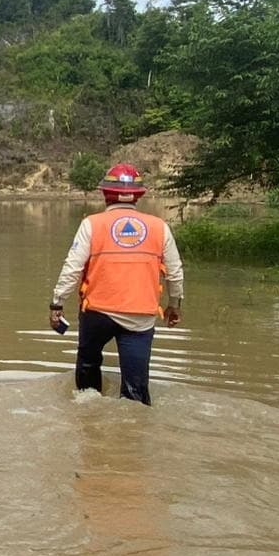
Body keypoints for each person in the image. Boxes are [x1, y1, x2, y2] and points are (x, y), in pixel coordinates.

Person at [49, 163, 184, 405]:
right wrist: (174, 305)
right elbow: (175, 273)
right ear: (139, 196)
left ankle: (88, 408)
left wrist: (57, 304)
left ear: (105, 193)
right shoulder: (159, 227)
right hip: (140, 317)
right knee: (136, 390)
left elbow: (72, 268)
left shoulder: (91, 224)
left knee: (88, 365)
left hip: (98, 313)